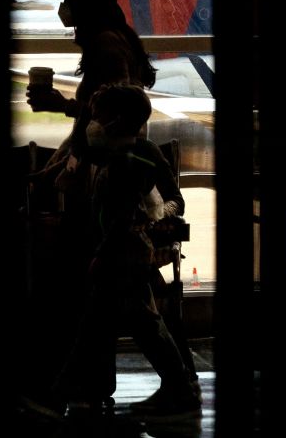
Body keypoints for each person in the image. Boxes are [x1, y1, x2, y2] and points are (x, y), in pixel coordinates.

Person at [21, 0, 160, 410]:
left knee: (71, 292)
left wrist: (62, 121)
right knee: (99, 298)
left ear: (86, 0)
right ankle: (81, 384)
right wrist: (62, 136)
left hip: (101, 188)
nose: (65, 7)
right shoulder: (117, 42)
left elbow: (106, 121)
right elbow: (102, 118)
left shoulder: (103, 47)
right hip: (105, 182)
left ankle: (61, 385)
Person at [51, 83, 202, 418]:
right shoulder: (110, 152)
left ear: (117, 121)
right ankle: (180, 388)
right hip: (126, 252)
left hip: (123, 252)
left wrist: (153, 215)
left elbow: (164, 204)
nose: (93, 122)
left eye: (98, 115)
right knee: (131, 324)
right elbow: (76, 154)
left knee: (109, 326)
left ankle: (59, 394)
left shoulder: (131, 158)